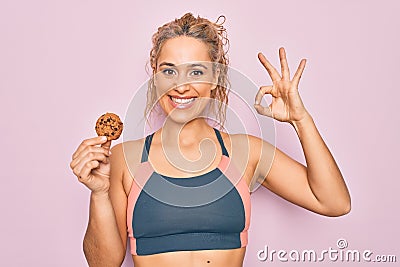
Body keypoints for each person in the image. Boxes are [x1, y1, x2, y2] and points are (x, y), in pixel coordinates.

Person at [69, 13, 351, 267]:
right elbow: (102, 264)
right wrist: (100, 193)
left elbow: (333, 203)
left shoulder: (245, 152)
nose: (181, 85)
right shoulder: (123, 159)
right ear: (155, 77)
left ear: (216, 77)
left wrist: (301, 121)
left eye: (196, 71)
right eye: (168, 70)